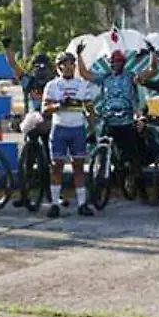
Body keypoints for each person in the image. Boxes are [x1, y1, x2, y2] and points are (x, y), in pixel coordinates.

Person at [76, 44, 150, 199]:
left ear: (123, 63)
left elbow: (150, 71)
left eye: (117, 62)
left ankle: (143, 192)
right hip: (109, 122)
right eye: (112, 62)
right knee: (104, 155)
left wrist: (152, 54)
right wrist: (79, 55)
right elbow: (85, 74)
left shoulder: (130, 76)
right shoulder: (105, 78)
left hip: (127, 122)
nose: (114, 65)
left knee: (134, 159)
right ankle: (97, 192)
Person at [42, 51, 93, 217]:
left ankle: (82, 204)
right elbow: (44, 109)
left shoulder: (82, 84)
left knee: (78, 167)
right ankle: (55, 204)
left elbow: (90, 108)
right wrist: (59, 105)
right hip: (60, 128)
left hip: (78, 128)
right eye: (65, 64)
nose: (68, 67)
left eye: (71, 64)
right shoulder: (52, 85)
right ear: (59, 67)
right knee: (57, 167)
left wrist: (93, 126)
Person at [5, 43, 55, 209]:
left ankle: (52, 195)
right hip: (32, 124)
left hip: (50, 124)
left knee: (51, 161)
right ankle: (24, 196)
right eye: (37, 67)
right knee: (26, 163)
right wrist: (8, 48)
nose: (40, 70)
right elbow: (13, 64)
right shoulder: (29, 81)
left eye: (43, 67)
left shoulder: (54, 83)